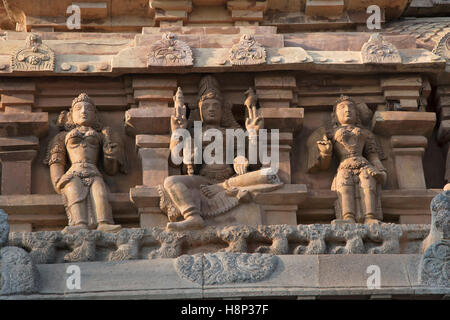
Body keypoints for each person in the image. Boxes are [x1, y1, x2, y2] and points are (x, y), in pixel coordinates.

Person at [159, 75, 281, 231]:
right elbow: (176, 161)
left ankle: (224, 187)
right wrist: (178, 132)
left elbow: (254, 163)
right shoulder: (194, 132)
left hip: (231, 179)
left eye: (215, 106)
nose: (211, 109)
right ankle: (193, 217)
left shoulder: (233, 131)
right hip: (203, 179)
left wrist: (251, 138)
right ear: (199, 110)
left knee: (269, 173)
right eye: (206, 106)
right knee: (171, 182)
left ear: (223, 110)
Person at [45, 93, 126, 233]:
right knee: (73, 193)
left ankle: (104, 222)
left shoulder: (101, 135)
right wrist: (58, 180)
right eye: (78, 109)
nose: (83, 111)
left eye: (88, 109)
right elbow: (56, 160)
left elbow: (110, 170)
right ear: (71, 115)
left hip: (94, 172)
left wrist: (110, 155)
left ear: (95, 115)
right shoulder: (62, 136)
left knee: (100, 194)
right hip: (73, 173)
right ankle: (78, 224)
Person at [309, 95, 387, 224]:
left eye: (351, 107)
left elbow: (373, 156)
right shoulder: (330, 134)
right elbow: (324, 165)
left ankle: (370, 217)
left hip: (364, 165)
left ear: (357, 114)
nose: (347, 110)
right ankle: (348, 217)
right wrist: (326, 153)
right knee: (344, 186)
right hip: (344, 166)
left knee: (367, 184)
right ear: (335, 115)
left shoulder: (365, 133)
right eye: (342, 107)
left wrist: (381, 171)